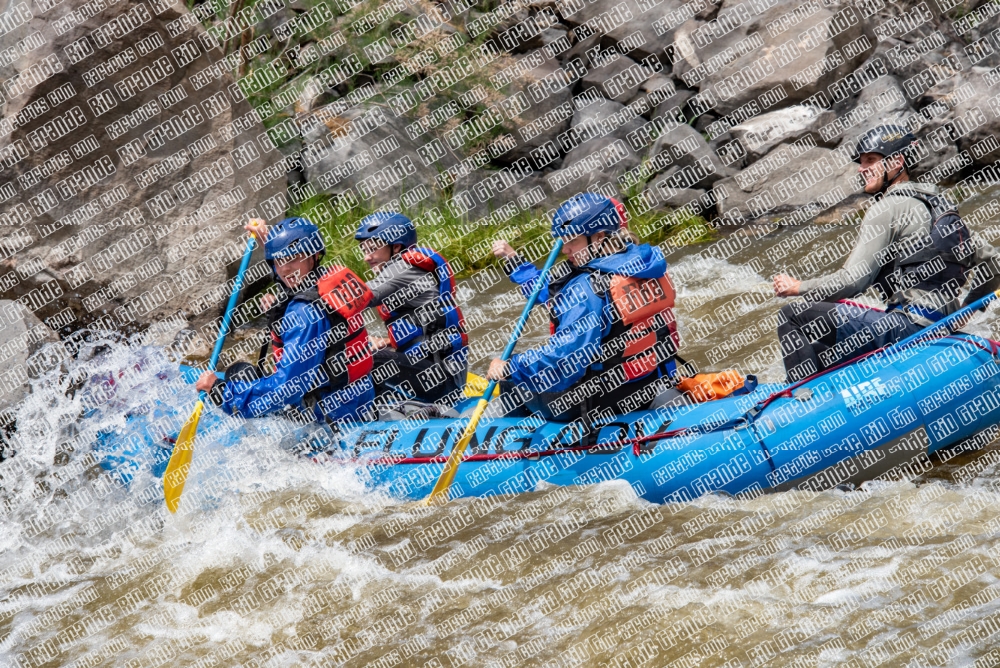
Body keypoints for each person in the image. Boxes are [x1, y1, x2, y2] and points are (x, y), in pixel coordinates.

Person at [773, 124, 1000, 382]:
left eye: (870, 160)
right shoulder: (944, 210)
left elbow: (853, 282)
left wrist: (798, 287)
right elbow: (993, 262)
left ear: (896, 162)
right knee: (818, 355)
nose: (862, 168)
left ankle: (802, 404)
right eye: (861, 162)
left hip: (907, 329)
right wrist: (967, 309)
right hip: (942, 330)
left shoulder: (886, 208)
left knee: (792, 316)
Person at [486, 192, 681, 421]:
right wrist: (517, 264)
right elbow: (550, 293)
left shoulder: (586, 287)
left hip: (598, 401)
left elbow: (566, 362)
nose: (565, 249)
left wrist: (512, 368)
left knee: (510, 379)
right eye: (564, 241)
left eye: (572, 241)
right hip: (646, 385)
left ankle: (510, 444)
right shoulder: (645, 264)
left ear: (598, 237)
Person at [195, 217, 376, 424]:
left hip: (325, 417)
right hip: (358, 402)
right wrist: (268, 240)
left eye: (293, 258)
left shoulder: (305, 313)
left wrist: (222, 392)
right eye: (279, 260)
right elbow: (289, 276)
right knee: (242, 371)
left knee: (237, 376)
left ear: (314, 256)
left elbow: (288, 389)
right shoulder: (324, 282)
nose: (285, 268)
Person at [354, 212, 468, 406]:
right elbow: (423, 333)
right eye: (364, 250)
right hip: (439, 376)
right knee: (366, 351)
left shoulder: (402, 269)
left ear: (396, 247)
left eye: (372, 249)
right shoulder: (405, 268)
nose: (367, 258)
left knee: (365, 358)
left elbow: (359, 299)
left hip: (441, 382)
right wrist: (387, 342)